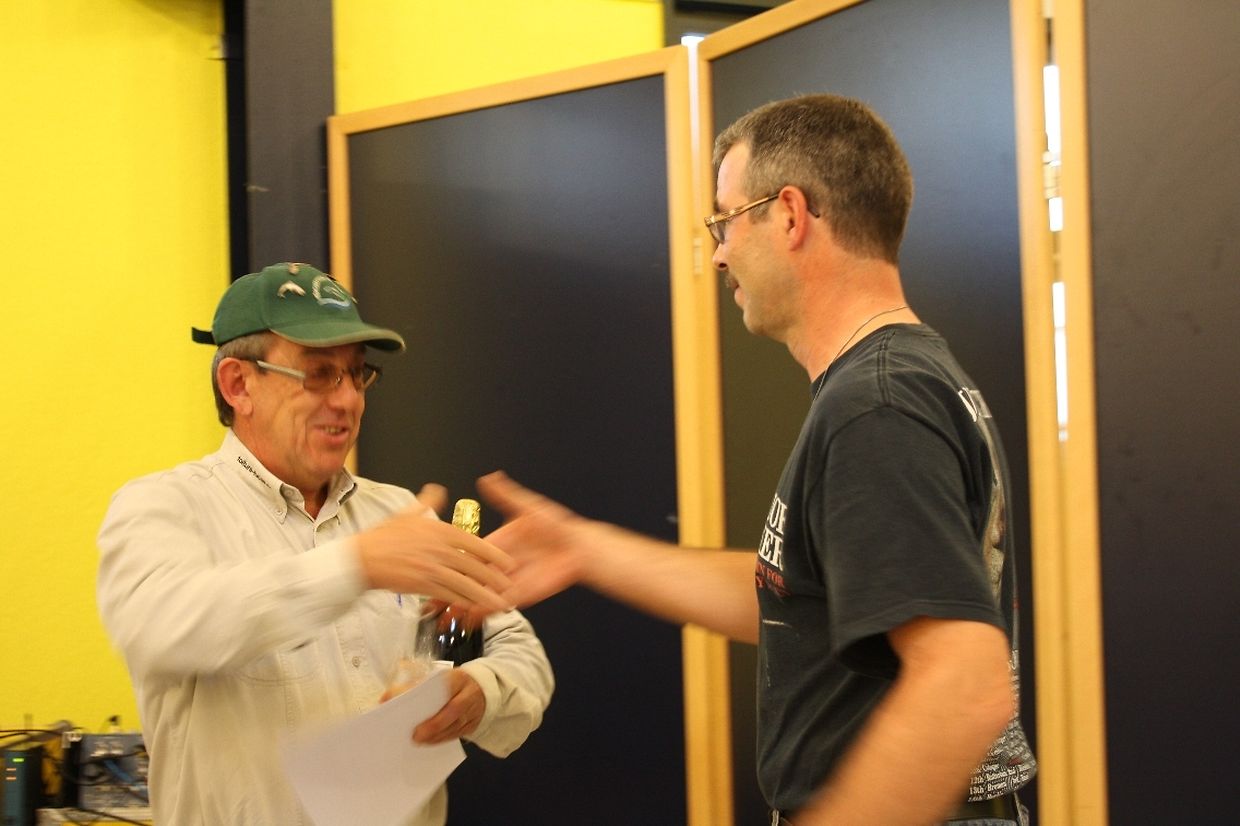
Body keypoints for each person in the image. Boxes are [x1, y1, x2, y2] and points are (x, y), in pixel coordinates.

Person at [477, 94, 1035, 825]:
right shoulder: (902, 380)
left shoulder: (877, 404)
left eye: (725, 220)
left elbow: (964, 685)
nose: (717, 253)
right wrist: (584, 548)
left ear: (791, 215)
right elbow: (801, 600)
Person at [97, 262, 554, 825]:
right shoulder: (162, 506)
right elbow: (159, 627)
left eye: (357, 375)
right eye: (318, 374)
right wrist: (355, 566)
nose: (348, 400)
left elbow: (520, 651)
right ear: (238, 385)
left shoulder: (398, 514)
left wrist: (482, 689)